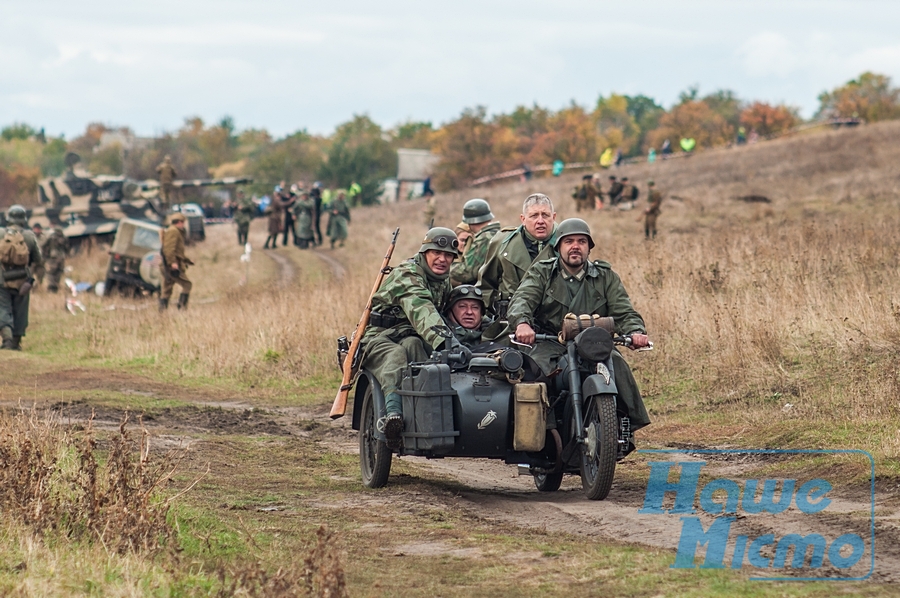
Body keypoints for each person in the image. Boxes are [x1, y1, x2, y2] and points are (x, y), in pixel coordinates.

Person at [506, 217, 652, 434]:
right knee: (537, 374)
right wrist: (523, 324)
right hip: (551, 343)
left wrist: (636, 332)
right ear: (558, 247)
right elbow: (522, 300)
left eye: (582, 242)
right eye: (569, 241)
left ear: (589, 248)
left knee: (617, 364)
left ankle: (623, 425)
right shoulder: (542, 272)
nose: (575, 246)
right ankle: (540, 435)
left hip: (594, 343)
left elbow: (623, 311)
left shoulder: (605, 276)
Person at [360, 227, 459, 442]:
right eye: (437, 253)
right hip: (380, 336)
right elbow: (423, 311)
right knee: (395, 356)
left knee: (422, 353)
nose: (442, 259)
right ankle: (393, 415)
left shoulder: (443, 280)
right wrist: (448, 343)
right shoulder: (408, 274)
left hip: (410, 335)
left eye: (448, 255)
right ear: (424, 253)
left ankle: (426, 413)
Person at [477, 193, 557, 318]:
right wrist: (485, 318)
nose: (540, 221)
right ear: (523, 219)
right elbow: (486, 285)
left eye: (545, 215)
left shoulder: (566, 243)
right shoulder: (503, 242)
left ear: (554, 217)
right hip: (509, 320)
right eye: (534, 216)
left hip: (553, 320)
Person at [0, 205, 43, 350]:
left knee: (3, 308)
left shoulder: (0, 233)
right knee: (20, 310)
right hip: (23, 279)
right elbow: (38, 259)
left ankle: (6, 340)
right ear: (24, 219)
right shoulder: (30, 236)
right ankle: (16, 343)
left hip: (2, 279)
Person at [449, 198, 501, 286]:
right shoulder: (497, 233)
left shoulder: (484, 238)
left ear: (469, 222)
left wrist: (447, 267)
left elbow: (467, 272)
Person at [159, 213, 193, 311]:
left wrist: (187, 260)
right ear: (179, 222)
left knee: (166, 290)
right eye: (183, 223)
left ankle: (162, 312)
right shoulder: (174, 231)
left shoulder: (174, 231)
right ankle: (181, 309)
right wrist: (172, 263)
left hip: (169, 264)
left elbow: (178, 252)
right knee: (187, 285)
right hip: (172, 265)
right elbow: (169, 249)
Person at [444, 284, 490, 349]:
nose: (469, 312)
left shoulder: (494, 335)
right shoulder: (438, 335)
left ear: (481, 312)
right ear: (450, 311)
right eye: (462, 306)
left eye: (475, 307)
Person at [41, 226, 68, 293]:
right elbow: (67, 248)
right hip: (60, 257)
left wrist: (45, 256)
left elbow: (44, 246)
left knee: (51, 273)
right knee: (57, 272)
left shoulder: (51, 238)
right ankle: (54, 286)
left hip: (53, 257)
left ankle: (52, 287)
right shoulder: (63, 238)